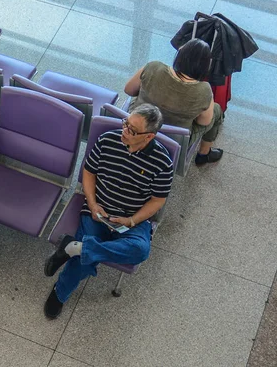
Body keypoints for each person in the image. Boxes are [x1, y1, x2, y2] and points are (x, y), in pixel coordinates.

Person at [43, 104, 173, 319]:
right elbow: (89, 172)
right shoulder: (107, 140)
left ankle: (75, 247)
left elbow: (158, 200)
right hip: (99, 210)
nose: (125, 131)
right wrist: (93, 205)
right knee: (85, 261)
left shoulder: (162, 162)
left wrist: (131, 220)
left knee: (140, 250)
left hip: (132, 218)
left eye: (132, 130)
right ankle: (60, 291)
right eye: (126, 124)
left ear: (149, 136)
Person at [124, 39, 224, 167]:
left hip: (138, 128)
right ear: (206, 66)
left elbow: (128, 90)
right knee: (216, 109)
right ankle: (204, 154)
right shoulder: (204, 90)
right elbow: (203, 122)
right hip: (175, 139)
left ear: (180, 55)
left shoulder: (153, 67)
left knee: (139, 92)